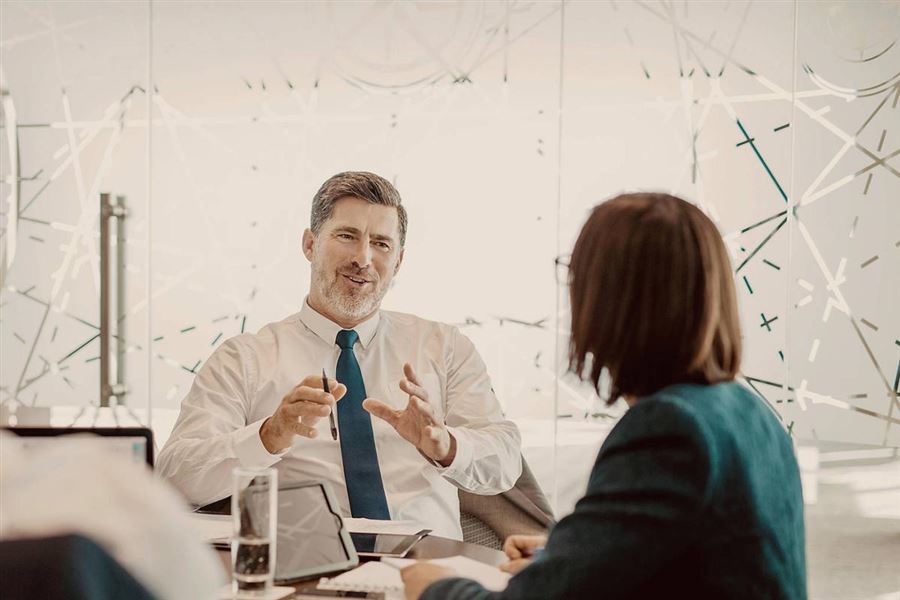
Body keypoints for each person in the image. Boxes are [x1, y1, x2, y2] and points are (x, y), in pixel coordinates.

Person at [402, 193, 807, 599]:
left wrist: (434, 588)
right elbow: (699, 563)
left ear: (614, 299)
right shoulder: (751, 413)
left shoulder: (669, 429)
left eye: (579, 276)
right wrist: (572, 557)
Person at [157, 171, 522, 540]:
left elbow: (504, 462)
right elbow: (175, 478)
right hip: (304, 568)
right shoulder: (244, 359)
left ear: (398, 262)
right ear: (310, 244)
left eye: (381, 243)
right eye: (347, 236)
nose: (363, 258)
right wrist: (269, 435)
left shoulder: (444, 347)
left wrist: (446, 446)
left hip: (426, 569)